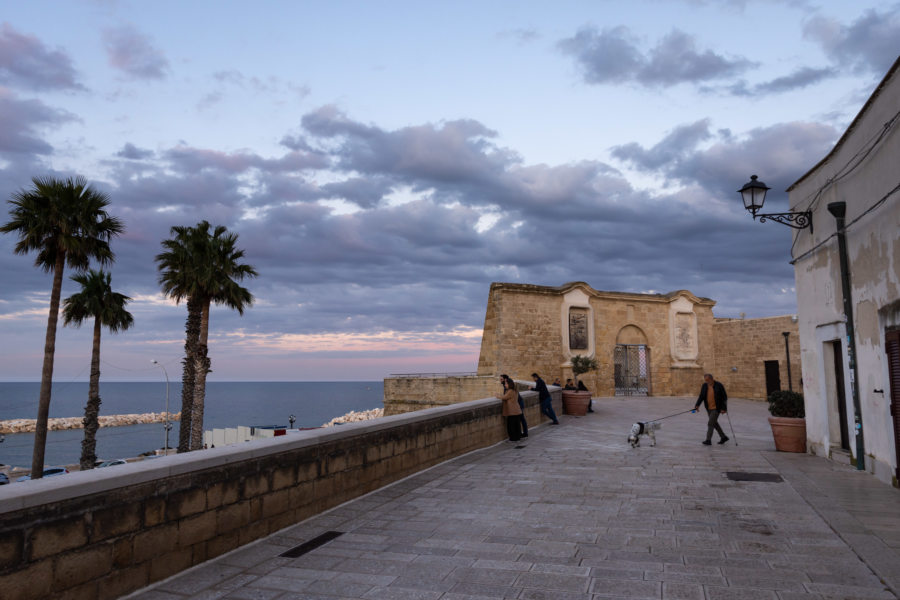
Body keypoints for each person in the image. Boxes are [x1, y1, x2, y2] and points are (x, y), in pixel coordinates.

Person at [693, 373, 729, 445]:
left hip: (716, 408)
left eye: (707, 380)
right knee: (714, 423)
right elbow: (701, 396)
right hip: (709, 408)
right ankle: (723, 437)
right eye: (705, 380)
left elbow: (724, 397)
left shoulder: (719, 385)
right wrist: (697, 405)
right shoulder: (704, 386)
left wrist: (724, 408)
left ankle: (708, 440)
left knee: (710, 423)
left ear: (712, 379)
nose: (706, 382)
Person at [496, 374, 522, 441]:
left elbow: (505, 397)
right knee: (517, 425)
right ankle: (517, 437)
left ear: (509, 384)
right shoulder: (514, 390)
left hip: (512, 411)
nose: (505, 385)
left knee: (511, 426)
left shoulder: (510, 391)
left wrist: (497, 396)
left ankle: (513, 438)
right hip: (517, 410)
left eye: (506, 384)